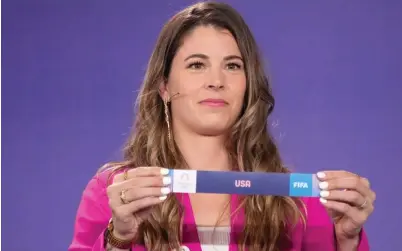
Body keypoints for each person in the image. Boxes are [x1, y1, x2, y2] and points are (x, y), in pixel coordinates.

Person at [69, 1, 376, 251]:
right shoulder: (114, 193)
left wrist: (348, 241)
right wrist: (118, 239)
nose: (216, 81)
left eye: (232, 66)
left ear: (248, 85)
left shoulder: (299, 206)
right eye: (196, 65)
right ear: (163, 85)